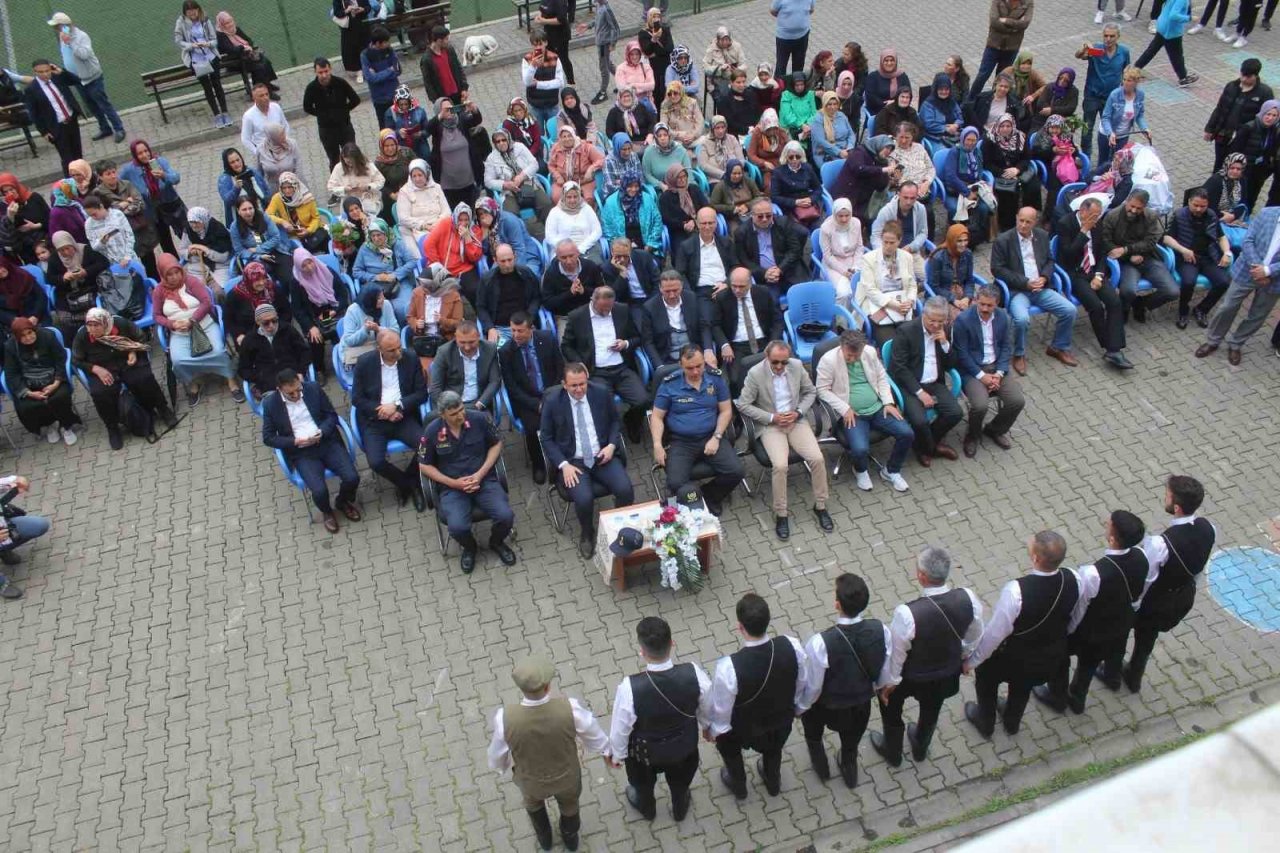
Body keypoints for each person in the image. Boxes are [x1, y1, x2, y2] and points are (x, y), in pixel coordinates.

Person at [869, 546, 984, 766]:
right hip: (944, 674)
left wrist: (890, 682)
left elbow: (897, 654)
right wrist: (965, 657)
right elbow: (976, 634)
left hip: (910, 676)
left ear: (921, 576)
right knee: (932, 707)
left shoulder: (907, 613)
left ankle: (892, 750)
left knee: (890, 708)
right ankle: (921, 746)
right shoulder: (968, 598)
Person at [964, 530, 1080, 738]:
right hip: (1049, 652)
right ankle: (1011, 722)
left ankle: (986, 720)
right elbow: (1077, 614)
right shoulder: (1074, 579)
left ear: (1035, 558)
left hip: (1015, 655)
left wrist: (972, 661)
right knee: (1022, 686)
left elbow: (995, 634)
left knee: (985, 678)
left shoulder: (1016, 591)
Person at [1106, 476, 1216, 694]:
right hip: (1182, 597)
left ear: (1176, 507)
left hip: (1154, 603)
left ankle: (1112, 675)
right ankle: (1134, 676)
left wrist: (1133, 606)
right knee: (1147, 638)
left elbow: (1146, 581)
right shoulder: (1208, 527)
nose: (1164, 498)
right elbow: (1199, 565)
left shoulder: (1159, 544)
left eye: (1167, 495)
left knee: (1119, 633)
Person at [487, 653, 607, 852]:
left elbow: (496, 754)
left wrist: (501, 768)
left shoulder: (505, 718)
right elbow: (594, 734)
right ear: (548, 686)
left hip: (531, 781)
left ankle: (545, 838)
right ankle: (570, 837)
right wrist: (607, 750)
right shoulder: (570, 708)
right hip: (567, 777)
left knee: (534, 806)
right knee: (570, 806)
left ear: (520, 688)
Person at [1033, 510, 1148, 714]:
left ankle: (1074, 699)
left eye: (1109, 524)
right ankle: (1113, 678)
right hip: (1123, 620)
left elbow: (1081, 608)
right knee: (1117, 648)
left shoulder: (1093, 574)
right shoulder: (1141, 556)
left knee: (1086, 663)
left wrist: (1069, 631)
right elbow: (1141, 590)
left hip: (1095, 631)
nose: (1105, 522)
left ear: (1113, 537)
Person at [608, 616, 710, 822]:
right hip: (684, 747)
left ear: (642, 651)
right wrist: (709, 727)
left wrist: (618, 755)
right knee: (681, 783)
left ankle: (647, 809)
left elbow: (621, 729)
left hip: (643, 754)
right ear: (672, 644)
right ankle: (680, 807)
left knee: (643, 786)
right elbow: (708, 707)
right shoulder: (694, 673)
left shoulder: (629, 688)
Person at [708, 593, 807, 798]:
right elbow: (801, 682)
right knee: (774, 749)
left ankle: (739, 783)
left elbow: (722, 710)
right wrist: (797, 707)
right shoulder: (792, 645)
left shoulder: (728, 667)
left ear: (740, 627)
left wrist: (715, 732)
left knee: (729, 747)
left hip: (743, 727)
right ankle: (773, 780)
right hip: (779, 720)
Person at [795, 574, 888, 787]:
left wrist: (801, 707)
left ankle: (821, 765)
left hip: (826, 706)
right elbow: (885, 668)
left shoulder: (820, 643)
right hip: (860, 705)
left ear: (837, 604)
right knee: (851, 742)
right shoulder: (880, 629)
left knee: (814, 734)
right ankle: (849, 769)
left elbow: (814, 686)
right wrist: (880, 688)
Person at [736, 340, 831, 539]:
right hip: (771, 426)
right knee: (780, 466)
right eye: (775, 362)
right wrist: (772, 418)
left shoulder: (796, 366)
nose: (780, 367)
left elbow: (810, 392)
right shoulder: (755, 374)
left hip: (796, 421)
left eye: (784, 362)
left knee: (818, 459)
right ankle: (781, 513)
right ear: (766, 357)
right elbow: (743, 404)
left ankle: (820, 506)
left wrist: (798, 412)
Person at [539, 361, 635, 557]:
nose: (578, 389)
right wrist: (563, 465)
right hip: (573, 462)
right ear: (564, 384)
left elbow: (615, 422)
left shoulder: (600, 393)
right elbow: (546, 438)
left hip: (602, 456)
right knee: (584, 498)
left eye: (582, 384)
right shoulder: (552, 402)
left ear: (587, 380)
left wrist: (611, 445)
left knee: (625, 490)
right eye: (573, 385)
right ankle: (587, 533)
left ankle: (618, 527)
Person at [420, 388, 517, 572]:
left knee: (506, 516)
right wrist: (453, 483)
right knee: (456, 527)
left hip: (483, 480)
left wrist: (480, 473)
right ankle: (470, 548)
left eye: (461, 409)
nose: (460, 415)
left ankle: (496, 542)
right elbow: (424, 466)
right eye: (454, 413)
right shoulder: (432, 431)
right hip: (452, 487)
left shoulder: (479, 419)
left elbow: (496, 443)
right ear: (443, 415)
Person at [262, 368, 360, 533]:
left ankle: (342, 501)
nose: (296, 395)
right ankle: (327, 512)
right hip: (302, 453)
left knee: (352, 477)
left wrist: (321, 431)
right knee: (319, 490)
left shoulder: (313, 389)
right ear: (280, 390)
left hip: (327, 443)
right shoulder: (271, 404)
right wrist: (294, 441)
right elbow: (268, 437)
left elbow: (331, 416)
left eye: (298, 390)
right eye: (290, 393)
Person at [814, 328, 912, 492]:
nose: (852, 359)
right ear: (841, 346)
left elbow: (881, 377)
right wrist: (844, 409)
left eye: (856, 356)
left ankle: (891, 471)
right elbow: (822, 389)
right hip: (853, 414)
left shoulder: (869, 352)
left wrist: (888, 402)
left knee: (907, 433)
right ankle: (860, 470)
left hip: (878, 407)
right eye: (848, 356)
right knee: (860, 449)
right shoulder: (828, 361)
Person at [650, 344, 743, 514]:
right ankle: (691, 499)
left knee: (736, 472)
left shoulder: (715, 379)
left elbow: (726, 410)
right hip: (681, 442)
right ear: (681, 365)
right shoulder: (669, 384)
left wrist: (716, 437)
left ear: (704, 363)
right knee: (675, 482)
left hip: (711, 436)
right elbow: (656, 416)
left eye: (699, 366)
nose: (695, 372)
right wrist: (657, 444)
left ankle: (710, 496)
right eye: (689, 368)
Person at [991, 207, 1079, 373]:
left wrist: (1044, 277)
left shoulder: (1042, 236)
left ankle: (1058, 347)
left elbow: (1050, 261)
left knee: (1070, 310)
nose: (1023, 225)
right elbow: (997, 269)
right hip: (1017, 291)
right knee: (1022, 319)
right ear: (1016, 218)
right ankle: (1018, 354)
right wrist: (1025, 283)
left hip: (1041, 288)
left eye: (1028, 222)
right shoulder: (1003, 240)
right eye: (1021, 220)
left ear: (1035, 222)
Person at [72, 307, 174, 449]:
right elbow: (76, 360)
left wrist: (132, 351)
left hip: (126, 359)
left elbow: (141, 337)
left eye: (96, 325)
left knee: (143, 378)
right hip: (103, 368)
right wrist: (95, 369)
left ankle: (162, 409)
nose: (92, 330)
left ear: (106, 322)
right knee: (101, 393)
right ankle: (112, 427)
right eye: (89, 325)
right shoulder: (83, 336)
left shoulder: (120, 323)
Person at [352, 328, 426, 509]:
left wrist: (398, 406)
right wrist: (382, 411)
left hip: (403, 416)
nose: (398, 353)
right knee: (375, 462)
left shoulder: (410, 358)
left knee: (427, 446)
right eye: (392, 350)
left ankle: (411, 478)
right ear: (379, 349)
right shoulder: (364, 363)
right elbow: (357, 399)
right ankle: (406, 484)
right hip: (375, 420)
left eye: (399, 347)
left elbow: (421, 394)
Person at [1196, 206, 1280, 364]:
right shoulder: (1267, 213)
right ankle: (1213, 341)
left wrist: (1268, 271)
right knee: (1227, 307)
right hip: (1247, 269)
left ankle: (1236, 344)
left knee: (1257, 315)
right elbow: (1248, 240)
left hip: (1274, 279)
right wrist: (1258, 268)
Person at [152, 253, 239, 406]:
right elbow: (157, 316)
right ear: (162, 274)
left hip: (204, 325)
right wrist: (172, 324)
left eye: (176, 272)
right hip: (180, 332)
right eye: (169, 274)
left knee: (218, 350)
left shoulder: (191, 281)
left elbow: (206, 302)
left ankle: (230, 378)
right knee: (177, 360)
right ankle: (193, 381)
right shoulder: (159, 291)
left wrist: (193, 319)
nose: (174, 277)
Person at [561, 286, 647, 437]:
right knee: (603, 405)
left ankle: (631, 421)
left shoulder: (622, 310)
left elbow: (637, 337)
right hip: (596, 371)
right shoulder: (577, 316)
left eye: (609, 308)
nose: (607, 312)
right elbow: (566, 346)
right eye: (603, 309)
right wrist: (579, 363)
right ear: (592, 301)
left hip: (622, 368)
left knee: (643, 400)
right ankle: (609, 436)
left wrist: (625, 343)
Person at [951, 285, 1025, 458]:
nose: (984, 308)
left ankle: (994, 430)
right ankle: (972, 435)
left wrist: (999, 373)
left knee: (1017, 401)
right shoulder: (963, 320)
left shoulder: (1004, 317)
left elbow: (1006, 347)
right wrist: (981, 376)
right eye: (981, 304)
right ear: (976, 300)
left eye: (989, 305)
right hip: (972, 371)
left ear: (996, 304)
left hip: (996, 367)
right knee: (980, 405)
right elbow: (962, 353)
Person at [1057, 197, 1132, 368]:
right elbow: (1068, 254)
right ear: (1082, 211)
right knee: (1096, 306)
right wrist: (1084, 231)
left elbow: (1102, 252)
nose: (1095, 219)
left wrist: (1099, 275)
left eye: (1098, 216)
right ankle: (1110, 347)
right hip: (1075, 273)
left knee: (1114, 302)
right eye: (1092, 215)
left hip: (1093, 271)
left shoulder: (1098, 224)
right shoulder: (1065, 223)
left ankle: (1114, 350)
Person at [889, 297, 962, 466]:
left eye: (940, 321)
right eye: (932, 321)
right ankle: (930, 448)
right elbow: (898, 368)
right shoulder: (906, 331)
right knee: (919, 420)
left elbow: (952, 363)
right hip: (911, 385)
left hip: (935, 383)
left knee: (955, 413)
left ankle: (923, 445)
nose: (936, 325)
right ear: (924, 315)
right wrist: (919, 393)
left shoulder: (945, 330)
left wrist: (944, 343)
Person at [1098, 190, 1180, 322]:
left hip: (1148, 258)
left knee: (1172, 292)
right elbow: (1106, 242)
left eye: (1139, 208)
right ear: (1127, 201)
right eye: (1132, 206)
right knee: (1128, 291)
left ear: (1145, 206)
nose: (1134, 210)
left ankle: (1141, 304)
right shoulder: (1112, 216)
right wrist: (1128, 256)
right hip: (1126, 262)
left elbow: (1152, 241)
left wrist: (1126, 249)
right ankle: (1123, 309)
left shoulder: (1151, 216)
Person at [499, 312, 562, 480]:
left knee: (563, 419)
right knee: (533, 428)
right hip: (527, 400)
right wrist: (535, 404)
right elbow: (511, 386)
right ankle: (538, 463)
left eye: (520, 331)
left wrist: (550, 397)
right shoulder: (506, 351)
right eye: (513, 330)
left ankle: (563, 457)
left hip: (552, 393)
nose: (515, 335)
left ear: (531, 329)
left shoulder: (547, 339)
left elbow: (559, 369)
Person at [45, 13, 124, 143]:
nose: (56, 29)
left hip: (92, 78)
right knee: (92, 106)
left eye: (58, 26)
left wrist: (70, 42)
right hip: (77, 79)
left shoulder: (81, 36)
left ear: (65, 25)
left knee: (103, 104)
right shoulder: (62, 36)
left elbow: (84, 55)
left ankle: (118, 128)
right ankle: (105, 128)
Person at [3, 318, 80, 445]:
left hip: (53, 378)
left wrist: (56, 382)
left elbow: (61, 359)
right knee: (27, 406)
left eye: (30, 333)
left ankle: (65, 426)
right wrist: (28, 392)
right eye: (23, 336)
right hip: (28, 383)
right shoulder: (11, 346)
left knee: (60, 397)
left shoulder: (47, 336)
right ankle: (49, 425)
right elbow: (11, 373)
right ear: (17, 337)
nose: (28, 338)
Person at [1164, 189, 1234, 329]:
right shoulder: (1179, 215)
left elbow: (1221, 236)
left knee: (1224, 282)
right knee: (1188, 282)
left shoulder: (1211, 215)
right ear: (1189, 202)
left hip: (1209, 257)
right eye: (1195, 205)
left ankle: (1202, 309)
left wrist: (1227, 252)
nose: (1199, 209)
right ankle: (1183, 312)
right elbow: (1166, 238)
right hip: (1186, 258)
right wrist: (1182, 250)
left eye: (1203, 206)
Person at [712, 267, 783, 388]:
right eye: (734, 286)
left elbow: (777, 320)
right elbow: (715, 325)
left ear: (750, 283)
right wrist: (724, 345)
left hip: (764, 342)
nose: (737, 290)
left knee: (777, 374)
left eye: (741, 286)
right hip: (737, 347)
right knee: (736, 380)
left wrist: (773, 342)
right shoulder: (722, 297)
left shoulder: (763, 292)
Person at [1205, 60, 1273, 175]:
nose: (1244, 79)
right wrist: (1209, 129)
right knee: (1219, 164)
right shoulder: (1231, 86)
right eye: (1242, 75)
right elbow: (1220, 108)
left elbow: (1266, 119)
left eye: (1248, 77)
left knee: (1235, 167)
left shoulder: (1264, 93)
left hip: (1243, 140)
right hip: (1223, 135)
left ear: (1256, 75)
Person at [1075, 23, 1131, 161]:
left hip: (1111, 98)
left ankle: (1107, 157)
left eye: (1112, 36)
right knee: (1087, 127)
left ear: (1118, 37)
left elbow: (1126, 70)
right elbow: (1080, 56)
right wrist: (1084, 48)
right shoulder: (1096, 49)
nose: (1108, 39)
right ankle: (1086, 157)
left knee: (1109, 128)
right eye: (1106, 35)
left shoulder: (1124, 52)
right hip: (1092, 96)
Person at [291, 248, 348, 381]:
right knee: (315, 338)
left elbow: (342, 294)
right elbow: (298, 309)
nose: (309, 268)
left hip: (333, 310)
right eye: (304, 266)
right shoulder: (296, 282)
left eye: (310, 263)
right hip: (313, 316)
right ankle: (319, 369)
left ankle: (345, 359)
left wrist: (333, 311)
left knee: (343, 330)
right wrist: (311, 326)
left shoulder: (326, 270)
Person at [733, 198, 807, 299]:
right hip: (763, 276)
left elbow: (794, 250)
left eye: (768, 215)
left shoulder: (783, 223)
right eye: (760, 216)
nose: (764, 219)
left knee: (804, 295)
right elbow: (744, 260)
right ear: (752, 215)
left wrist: (780, 269)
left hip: (787, 269)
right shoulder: (741, 233)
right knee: (770, 303)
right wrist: (764, 273)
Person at [638, 270, 713, 369]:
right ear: (660, 288)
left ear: (681, 286)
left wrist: (708, 350)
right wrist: (659, 366)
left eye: (675, 290)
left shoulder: (692, 298)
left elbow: (703, 326)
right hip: (668, 360)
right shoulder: (650, 307)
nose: (672, 295)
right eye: (667, 291)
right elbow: (648, 341)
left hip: (694, 356)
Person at [859, 220, 918, 346]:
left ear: (899, 241)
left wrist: (910, 301)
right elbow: (870, 290)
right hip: (878, 305)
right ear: (881, 240)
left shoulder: (906, 257)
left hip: (902, 305)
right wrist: (893, 305)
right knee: (890, 343)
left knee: (913, 339)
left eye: (892, 243)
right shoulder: (868, 259)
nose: (888, 246)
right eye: (885, 242)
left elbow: (912, 284)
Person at [173, 1, 229, 128]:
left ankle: (225, 112)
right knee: (207, 87)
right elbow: (178, 41)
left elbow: (214, 40)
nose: (192, 12)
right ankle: (217, 115)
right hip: (196, 60)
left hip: (211, 56)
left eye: (194, 9)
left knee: (217, 84)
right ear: (185, 12)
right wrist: (191, 46)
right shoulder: (180, 23)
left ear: (198, 10)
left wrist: (207, 44)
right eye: (189, 10)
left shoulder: (205, 20)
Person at [22, 58, 83, 174]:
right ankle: (70, 185)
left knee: (78, 154)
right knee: (68, 159)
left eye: (47, 70)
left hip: (71, 121)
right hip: (57, 127)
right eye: (40, 72)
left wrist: (62, 72)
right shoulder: (31, 89)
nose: (45, 74)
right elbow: (34, 113)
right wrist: (43, 132)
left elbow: (77, 81)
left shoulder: (58, 77)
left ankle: (85, 180)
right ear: (34, 72)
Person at [45, 230, 106, 342]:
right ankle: (77, 344)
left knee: (93, 314)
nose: (65, 252)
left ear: (72, 244)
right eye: (61, 250)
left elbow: (103, 263)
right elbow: (50, 278)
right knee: (65, 319)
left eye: (68, 248)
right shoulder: (54, 258)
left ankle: (98, 338)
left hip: (89, 289)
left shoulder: (85, 250)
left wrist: (86, 272)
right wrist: (63, 277)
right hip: (67, 293)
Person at [237, 303, 309, 397]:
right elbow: (243, 368)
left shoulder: (288, 330)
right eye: (266, 323)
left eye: (274, 320)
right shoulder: (250, 340)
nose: (272, 325)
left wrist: (300, 372)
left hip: (293, 378)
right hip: (269, 385)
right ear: (258, 322)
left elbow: (305, 351)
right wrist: (259, 378)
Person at [428, 321, 501, 413]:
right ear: (455, 338)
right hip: (451, 406)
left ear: (478, 336)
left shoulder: (490, 349)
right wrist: (449, 408)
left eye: (471, 342)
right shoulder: (444, 352)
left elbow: (495, 381)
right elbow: (435, 387)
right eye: (462, 342)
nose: (467, 347)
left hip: (478, 405)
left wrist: (481, 403)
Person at [405, 266, 465, 377]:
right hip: (424, 341)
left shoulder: (453, 295)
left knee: (445, 372)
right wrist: (416, 323)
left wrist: (443, 320)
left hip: (446, 340)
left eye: (427, 286)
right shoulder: (417, 293)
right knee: (424, 373)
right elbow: (410, 317)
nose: (424, 288)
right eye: (422, 284)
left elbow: (459, 323)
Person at [303, 58, 361, 171]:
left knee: (352, 156)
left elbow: (355, 99)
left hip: (344, 127)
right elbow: (307, 107)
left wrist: (344, 111)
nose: (324, 75)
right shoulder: (311, 88)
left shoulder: (340, 83)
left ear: (330, 69)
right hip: (327, 131)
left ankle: (356, 179)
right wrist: (321, 115)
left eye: (326, 71)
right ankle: (338, 185)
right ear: (315, 72)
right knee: (334, 160)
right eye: (320, 72)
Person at [229, 197, 296, 292]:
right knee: (263, 285)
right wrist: (258, 256)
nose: (248, 212)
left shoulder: (264, 217)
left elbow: (276, 237)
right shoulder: (234, 228)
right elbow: (239, 250)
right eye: (244, 209)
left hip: (275, 251)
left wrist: (258, 249)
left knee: (290, 279)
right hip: (255, 258)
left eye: (250, 208)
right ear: (238, 211)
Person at [353, 220, 416, 321]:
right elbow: (356, 271)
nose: (376, 239)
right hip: (376, 284)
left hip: (398, 282)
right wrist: (375, 277)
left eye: (379, 235)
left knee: (402, 308)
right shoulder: (365, 248)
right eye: (373, 236)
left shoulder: (397, 244)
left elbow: (412, 261)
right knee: (375, 310)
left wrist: (395, 275)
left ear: (385, 233)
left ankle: (405, 332)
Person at [972, 0, 1035, 99]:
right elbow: (994, 21)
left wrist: (1006, 21)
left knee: (1002, 78)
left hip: (1011, 48)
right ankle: (970, 101)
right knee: (983, 75)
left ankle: (992, 101)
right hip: (994, 45)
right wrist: (1015, 27)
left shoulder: (1028, 3)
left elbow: (1025, 23)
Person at [422, 203, 484, 302]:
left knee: (475, 289)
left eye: (466, 220)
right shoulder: (445, 224)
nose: (463, 223)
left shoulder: (474, 230)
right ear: (455, 218)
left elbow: (474, 257)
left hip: (463, 268)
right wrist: (438, 265)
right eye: (460, 220)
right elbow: (428, 244)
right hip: (442, 267)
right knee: (445, 295)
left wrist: (468, 239)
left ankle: (481, 315)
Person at [485, 129, 547, 226]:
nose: (501, 143)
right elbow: (488, 181)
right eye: (498, 141)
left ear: (508, 139)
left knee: (546, 205)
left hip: (530, 184)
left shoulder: (520, 147)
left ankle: (547, 231)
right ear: (494, 143)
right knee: (510, 217)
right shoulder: (492, 158)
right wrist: (505, 184)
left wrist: (522, 176)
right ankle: (518, 236)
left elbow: (534, 164)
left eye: (503, 140)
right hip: (509, 191)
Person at [479, 245, 542, 338]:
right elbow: (481, 307)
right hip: (499, 328)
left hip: (524, 325)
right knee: (500, 352)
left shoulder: (526, 274)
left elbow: (536, 297)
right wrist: (490, 328)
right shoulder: (487, 280)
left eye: (510, 260)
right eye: (503, 261)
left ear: (515, 257)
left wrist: (529, 319)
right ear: (495, 260)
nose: (507, 264)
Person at [224, 261, 291, 346]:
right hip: (249, 333)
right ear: (248, 280)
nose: (262, 283)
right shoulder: (235, 295)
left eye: (263, 278)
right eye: (257, 280)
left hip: (275, 329)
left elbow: (286, 311)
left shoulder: (272, 288)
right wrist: (238, 334)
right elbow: (228, 319)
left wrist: (279, 327)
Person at [1229, 99, 1279, 212]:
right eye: (1268, 114)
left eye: (1274, 115)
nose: (1270, 118)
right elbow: (1234, 151)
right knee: (1238, 198)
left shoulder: (1273, 131)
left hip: (1259, 172)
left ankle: (1245, 216)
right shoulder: (1248, 128)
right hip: (1244, 171)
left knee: (1251, 198)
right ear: (1262, 113)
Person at [1133, 0, 1197, 87]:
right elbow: (1173, 15)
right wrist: (1189, 18)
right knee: (1176, 55)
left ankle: (1136, 68)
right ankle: (1183, 78)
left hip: (1162, 26)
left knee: (1152, 50)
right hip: (1171, 31)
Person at [674, 207, 734, 300]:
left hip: (726, 287)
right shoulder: (686, 246)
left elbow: (735, 266)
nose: (707, 227)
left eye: (711, 223)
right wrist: (690, 295)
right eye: (703, 223)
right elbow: (680, 273)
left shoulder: (726, 243)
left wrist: (727, 283)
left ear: (716, 223)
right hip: (702, 291)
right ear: (697, 224)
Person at [395, 160, 450, 260]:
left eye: (420, 175)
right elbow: (403, 218)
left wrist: (437, 224)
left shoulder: (436, 187)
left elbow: (447, 211)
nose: (417, 179)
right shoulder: (405, 192)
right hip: (418, 231)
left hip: (439, 226)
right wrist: (424, 225)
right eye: (414, 176)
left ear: (427, 174)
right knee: (430, 245)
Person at [1098, 67, 1151, 168]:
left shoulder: (1140, 95)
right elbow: (1105, 117)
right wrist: (1110, 133)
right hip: (1106, 133)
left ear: (1136, 82)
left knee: (1117, 163)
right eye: (1124, 79)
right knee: (1104, 164)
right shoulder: (1115, 95)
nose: (1125, 82)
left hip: (1123, 135)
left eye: (1129, 80)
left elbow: (1139, 116)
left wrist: (1145, 129)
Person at [215, 11, 278, 94]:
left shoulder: (236, 29)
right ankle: (265, 91)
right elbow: (230, 50)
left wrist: (248, 47)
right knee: (259, 67)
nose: (230, 24)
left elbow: (249, 40)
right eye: (226, 23)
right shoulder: (220, 35)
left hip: (246, 57)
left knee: (265, 61)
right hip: (233, 61)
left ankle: (267, 84)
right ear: (222, 25)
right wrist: (243, 47)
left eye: (230, 21)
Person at [542, 239, 604, 322]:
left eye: (571, 256)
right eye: (563, 257)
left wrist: (584, 291)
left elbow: (602, 293)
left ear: (578, 253)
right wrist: (569, 293)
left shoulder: (590, 266)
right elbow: (548, 303)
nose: (568, 261)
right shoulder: (551, 273)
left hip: (592, 313)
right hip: (565, 316)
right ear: (557, 257)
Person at [817, 199, 863, 307]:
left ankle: (857, 321)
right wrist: (844, 271)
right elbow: (827, 256)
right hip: (833, 264)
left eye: (847, 215)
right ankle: (841, 322)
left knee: (864, 289)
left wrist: (856, 266)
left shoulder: (856, 223)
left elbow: (859, 248)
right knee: (844, 293)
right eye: (840, 216)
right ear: (834, 214)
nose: (844, 219)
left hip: (854, 261)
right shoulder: (826, 228)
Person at [265, 173, 324, 255]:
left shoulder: (307, 198)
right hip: (291, 235)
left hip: (310, 232)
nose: (287, 191)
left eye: (290, 187)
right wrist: (282, 222)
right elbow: (267, 215)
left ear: (296, 186)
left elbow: (316, 218)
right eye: (284, 188)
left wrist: (308, 230)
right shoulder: (277, 198)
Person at [177, 207, 232, 293]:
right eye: (191, 222)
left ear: (204, 220)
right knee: (189, 292)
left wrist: (206, 250)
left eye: (197, 222)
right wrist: (189, 252)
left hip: (217, 268)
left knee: (218, 293)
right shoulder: (189, 230)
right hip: (197, 268)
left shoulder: (218, 230)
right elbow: (181, 250)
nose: (194, 225)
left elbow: (223, 257)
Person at [545, 182, 603, 263]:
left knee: (594, 267)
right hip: (564, 251)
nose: (572, 200)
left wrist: (582, 248)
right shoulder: (555, 212)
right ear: (564, 196)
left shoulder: (587, 209)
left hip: (587, 248)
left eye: (575, 196)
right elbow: (549, 237)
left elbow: (597, 231)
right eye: (569, 197)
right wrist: (567, 249)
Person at [771, 143, 822, 232]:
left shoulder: (807, 168)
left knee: (820, 228)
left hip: (809, 206)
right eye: (791, 157)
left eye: (797, 157)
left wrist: (811, 199)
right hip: (790, 208)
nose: (794, 160)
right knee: (801, 232)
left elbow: (818, 188)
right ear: (786, 157)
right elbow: (774, 197)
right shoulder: (778, 172)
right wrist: (795, 202)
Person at [0, 174, 50, 265]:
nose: (10, 193)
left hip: (46, 244)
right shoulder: (7, 210)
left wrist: (35, 226)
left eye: (11, 189)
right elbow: (9, 240)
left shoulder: (34, 198)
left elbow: (50, 218)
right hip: (29, 252)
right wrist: (10, 217)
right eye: (5, 192)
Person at [521, 29, 566, 128]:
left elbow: (560, 82)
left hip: (552, 104)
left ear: (546, 43)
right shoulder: (527, 59)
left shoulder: (554, 58)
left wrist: (538, 84)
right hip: (535, 105)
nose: (538, 47)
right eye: (535, 45)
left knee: (555, 135)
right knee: (538, 136)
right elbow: (527, 82)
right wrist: (533, 66)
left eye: (540, 44)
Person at [548, 129, 604, 205]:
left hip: (583, 181)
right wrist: (557, 176)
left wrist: (591, 169)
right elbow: (551, 165)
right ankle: (565, 216)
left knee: (588, 199)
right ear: (560, 138)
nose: (567, 139)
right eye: (564, 137)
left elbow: (601, 159)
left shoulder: (586, 147)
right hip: (563, 181)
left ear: (574, 136)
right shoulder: (556, 148)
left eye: (569, 136)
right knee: (556, 197)